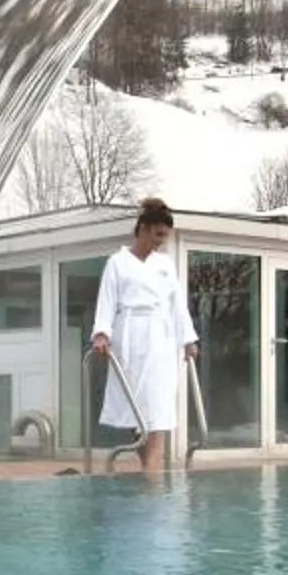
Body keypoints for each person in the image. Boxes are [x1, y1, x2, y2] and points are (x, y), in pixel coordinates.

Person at [90, 196, 199, 475]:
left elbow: (177, 305)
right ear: (143, 228)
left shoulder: (165, 265)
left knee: (157, 413)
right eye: (158, 235)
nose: (161, 241)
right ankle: (149, 476)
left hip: (161, 342)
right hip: (130, 339)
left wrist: (188, 339)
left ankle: (153, 484)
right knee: (136, 414)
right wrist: (101, 333)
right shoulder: (117, 262)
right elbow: (107, 301)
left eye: (165, 236)